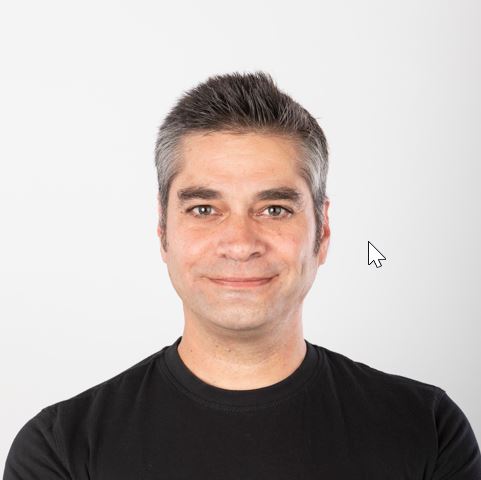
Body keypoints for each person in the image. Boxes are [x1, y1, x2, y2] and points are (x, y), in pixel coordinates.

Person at [4, 71, 481, 479]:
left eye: (274, 209)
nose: (239, 243)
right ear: (163, 232)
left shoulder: (428, 430)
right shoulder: (62, 451)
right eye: (204, 208)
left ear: (323, 232)